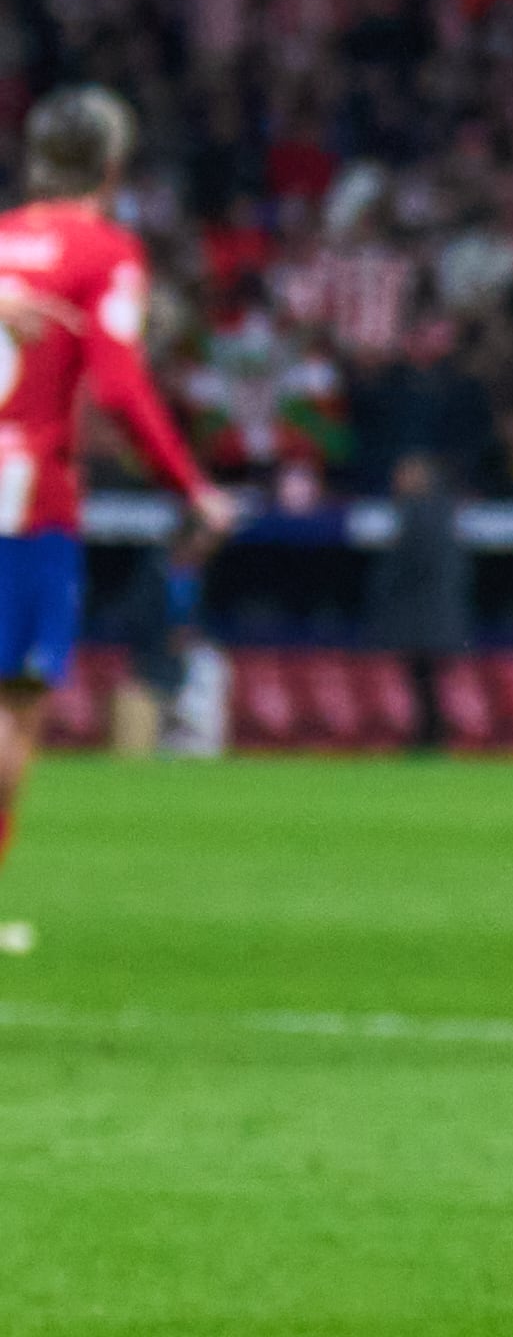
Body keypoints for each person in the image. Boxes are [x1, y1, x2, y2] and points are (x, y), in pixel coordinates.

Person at [0, 89, 233, 953]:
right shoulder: (102, 251)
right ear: (111, 166)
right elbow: (119, 388)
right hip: (23, 502)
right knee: (13, 710)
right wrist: (190, 486)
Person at [366, 452, 470, 753]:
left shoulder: (418, 510)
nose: (397, 481)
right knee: (425, 681)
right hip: (439, 610)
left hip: (424, 612)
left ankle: (430, 737)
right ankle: (429, 735)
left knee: (424, 680)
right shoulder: (446, 510)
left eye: (405, 474)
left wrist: (384, 588)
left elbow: (408, 564)